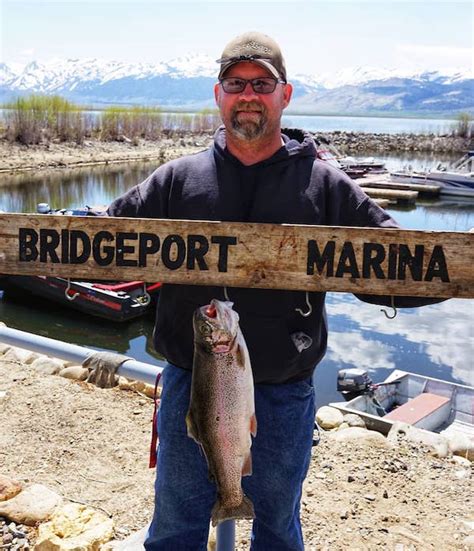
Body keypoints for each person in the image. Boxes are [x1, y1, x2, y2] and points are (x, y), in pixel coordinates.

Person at [106, 31, 442, 551]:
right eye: (235, 83)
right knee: (174, 528)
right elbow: (104, 242)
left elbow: (398, 264)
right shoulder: (176, 179)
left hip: (285, 393)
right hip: (189, 388)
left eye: (262, 83)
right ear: (218, 95)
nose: (248, 94)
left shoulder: (326, 185)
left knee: (279, 531)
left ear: (285, 95)